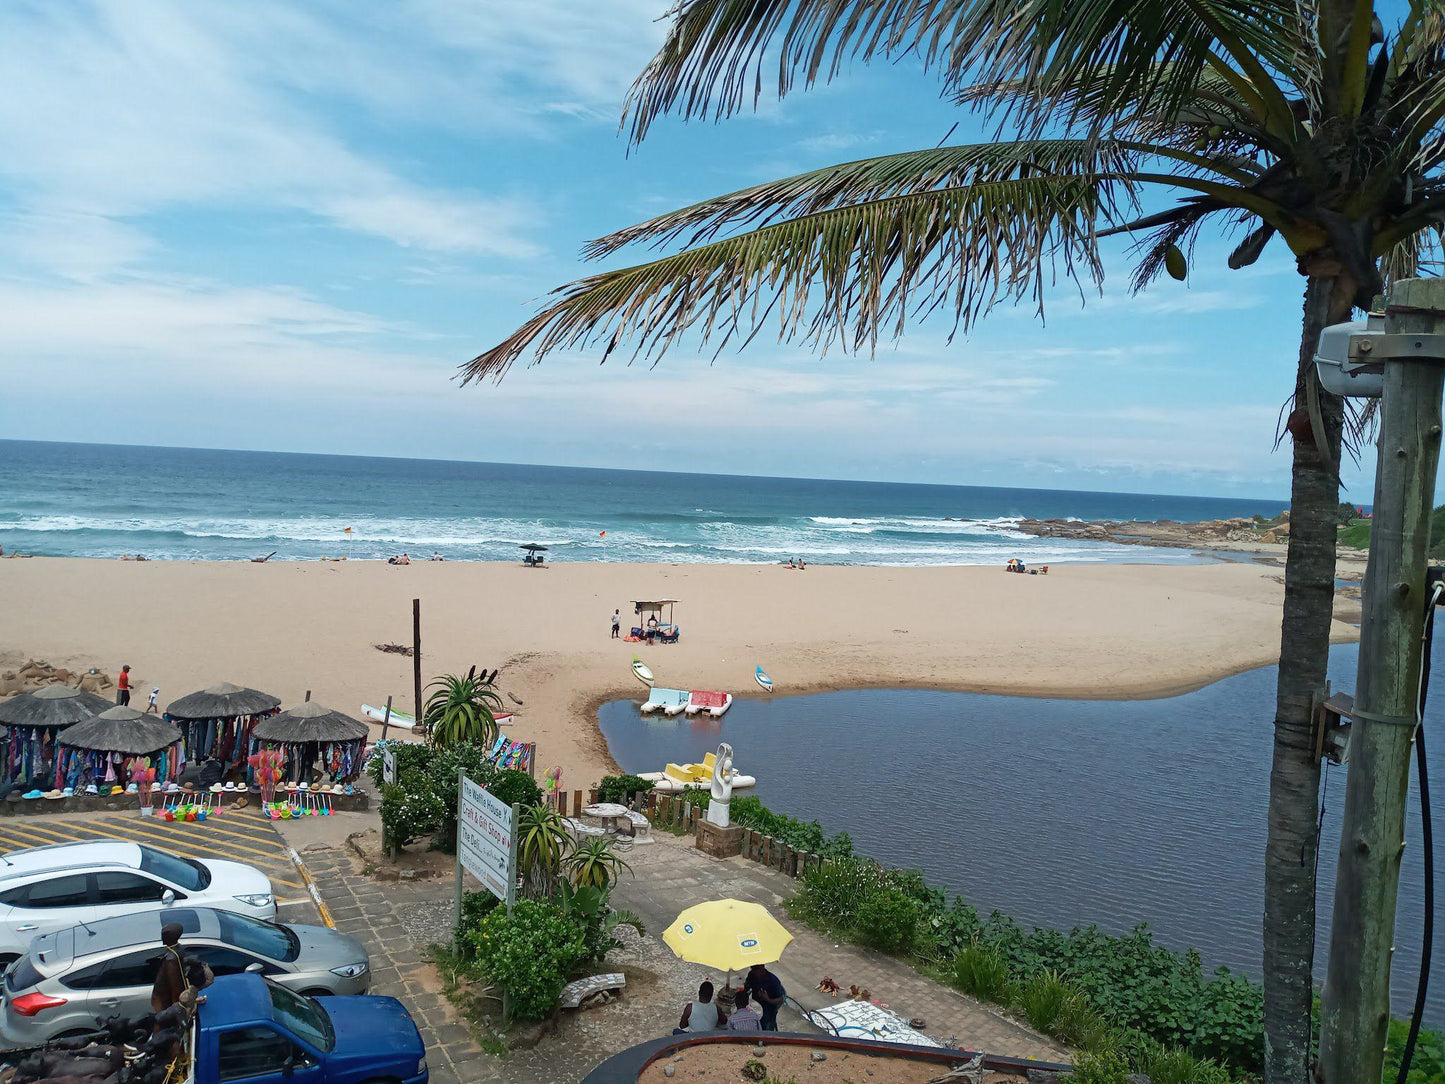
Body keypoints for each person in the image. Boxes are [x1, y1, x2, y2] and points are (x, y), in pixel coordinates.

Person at [150, 923, 188, 1013]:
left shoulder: (174, 953)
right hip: (163, 1002)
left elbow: (178, 983)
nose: (162, 937)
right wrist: (180, 1008)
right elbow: (175, 987)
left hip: (165, 1001)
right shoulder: (172, 957)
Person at [744, 964, 786, 1031]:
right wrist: (746, 988)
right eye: (752, 969)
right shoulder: (752, 975)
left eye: (755, 970)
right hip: (755, 1004)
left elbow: (780, 1000)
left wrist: (767, 999)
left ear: (762, 969)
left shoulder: (773, 981)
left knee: (764, 1024)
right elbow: (747, 986)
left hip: (769, 1005)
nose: (753, 972)